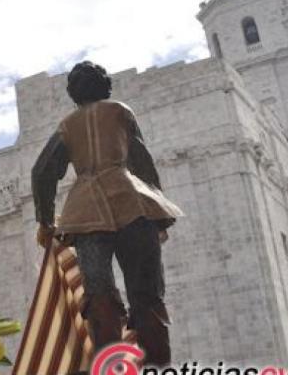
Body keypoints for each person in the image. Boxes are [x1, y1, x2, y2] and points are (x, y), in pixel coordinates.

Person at [30, 61, 183, 366]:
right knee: (148, 298)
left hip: (86, 215)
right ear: (105, 86)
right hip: (134, 206)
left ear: (73, 93)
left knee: (100, 301)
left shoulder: (67, 125)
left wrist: (45, 221)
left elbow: (42, 172)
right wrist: (158, 211)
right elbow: (142, 162)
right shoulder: (120, 112)